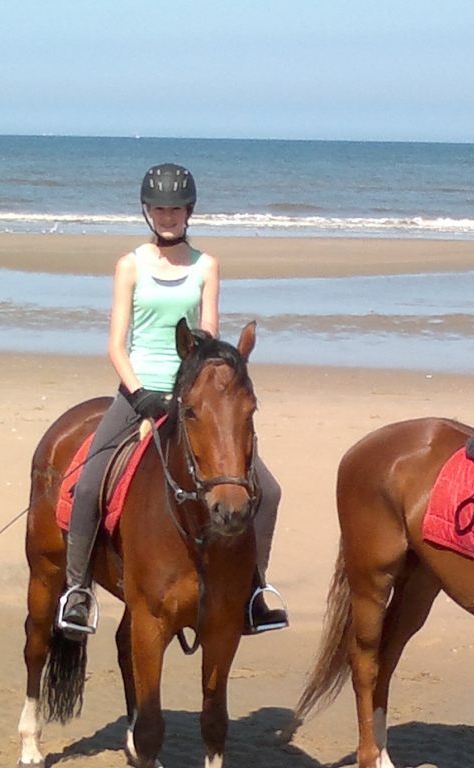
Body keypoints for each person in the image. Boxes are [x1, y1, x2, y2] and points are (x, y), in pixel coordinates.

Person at [56, 163, 287, 636]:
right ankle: (78, 591)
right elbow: (117, 344)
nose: (167, 216)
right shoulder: (131, 265)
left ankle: (254, 590)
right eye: (159, 208)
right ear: (147, 211)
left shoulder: (206, 266)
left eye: (176, 208)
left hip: (192, 396)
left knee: (267, 489)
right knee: (87, 483)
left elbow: (208, 337)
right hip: (137, 392)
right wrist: (140, 396)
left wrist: (199, 391)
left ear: (189, 211)